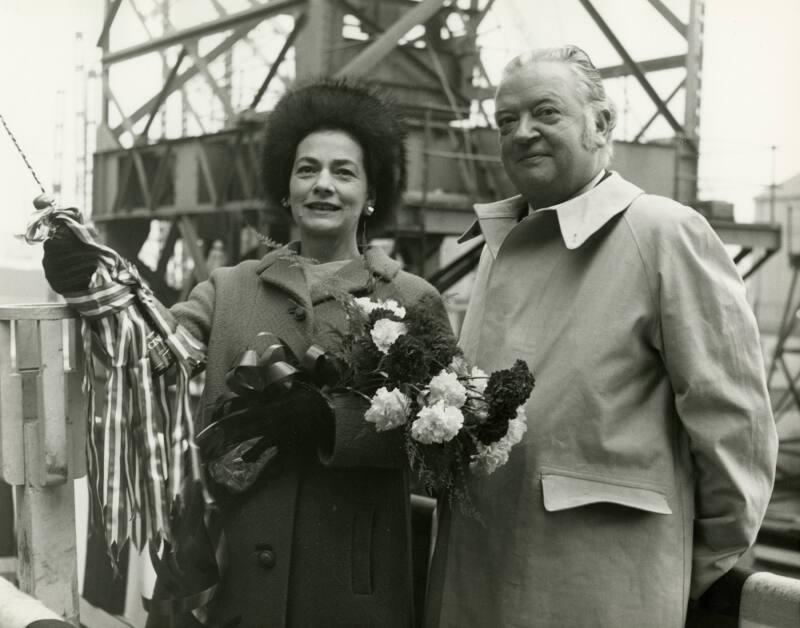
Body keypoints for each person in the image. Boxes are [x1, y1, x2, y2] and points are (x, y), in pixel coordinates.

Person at [42, 78, 453, 627]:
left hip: (354, 593)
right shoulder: (227, 288)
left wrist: (332, 423)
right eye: (306, 169)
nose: (322, 185)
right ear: (285, 189)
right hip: (230, 583)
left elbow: (443, 439)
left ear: (371, 192)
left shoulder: (412, 298)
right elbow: (151, 355)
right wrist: (90, 285)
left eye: (343, 171)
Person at [424, 46, 778, 628]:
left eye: (546, 112)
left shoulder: (662, 233)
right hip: (478, 576)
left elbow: (735, 430)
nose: (523, 133)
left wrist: (690, 571)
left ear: (603, 123)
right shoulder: (497, 244)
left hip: (600, 591)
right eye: (506, 121)